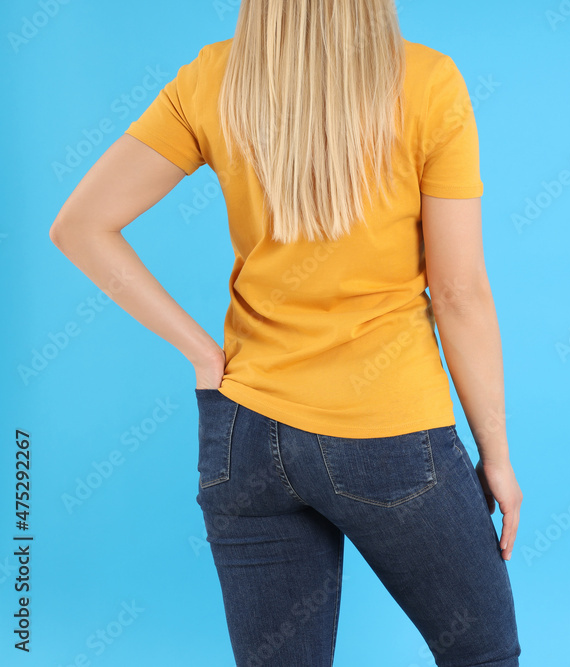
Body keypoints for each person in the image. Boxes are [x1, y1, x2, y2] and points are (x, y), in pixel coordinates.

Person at [47, 1, 522, 665]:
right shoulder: (429, 81)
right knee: (483, 653)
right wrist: (495, 455)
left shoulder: (213, 78)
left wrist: (202, 352)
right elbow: (458, 292)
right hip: (388, 434)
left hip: (245, 432)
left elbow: (79, 226)